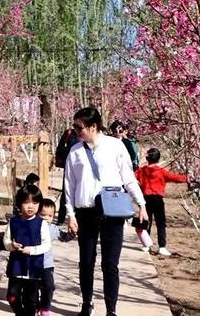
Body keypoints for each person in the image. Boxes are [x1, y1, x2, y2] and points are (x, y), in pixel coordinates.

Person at [65, 107, 148, 316]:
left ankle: (111, 310)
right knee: (86, 262)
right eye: (74, 127)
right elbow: (69, 186)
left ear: (93, 127)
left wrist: (142, 204)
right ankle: (87, 303)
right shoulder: (75, 151)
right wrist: (70, 215)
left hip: (112, 212)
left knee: (110, 264)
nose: (76, 131)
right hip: (86, 213)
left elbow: (128, 178)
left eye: (79, 127)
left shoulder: (115, 146)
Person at [4, 185, 51, 316]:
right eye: (26, 202)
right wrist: (12, 245)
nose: (30, 206)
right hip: (16, 267)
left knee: (30, 301)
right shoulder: (13, 222)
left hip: (33, 269)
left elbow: (47, 245)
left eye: (35, 203)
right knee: (12, 297)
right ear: (19, 203)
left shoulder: (41, 223)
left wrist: (32, 250)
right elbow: (6, 241)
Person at [135, 148, 188, 256]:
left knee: (146, 222)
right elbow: (175, 178)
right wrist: (187, 178)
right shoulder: (161, 171)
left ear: (147, 158)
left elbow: (131, 177)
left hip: (145, 199)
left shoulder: (141, 170)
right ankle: (162, 247)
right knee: (160, 223)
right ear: (158, 159)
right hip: (158, 199)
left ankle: (146, 245)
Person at [38, 198, 73, 316]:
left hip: (47, 265)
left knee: (49, 287)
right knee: (31, 289)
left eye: (50, 215)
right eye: (43, 215)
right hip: (31, 264)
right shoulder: (32, 227)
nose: (46, 218)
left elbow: (64, 237)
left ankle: (45, 308)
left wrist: (72, 233)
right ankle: (33, 306)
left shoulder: (52, 229)